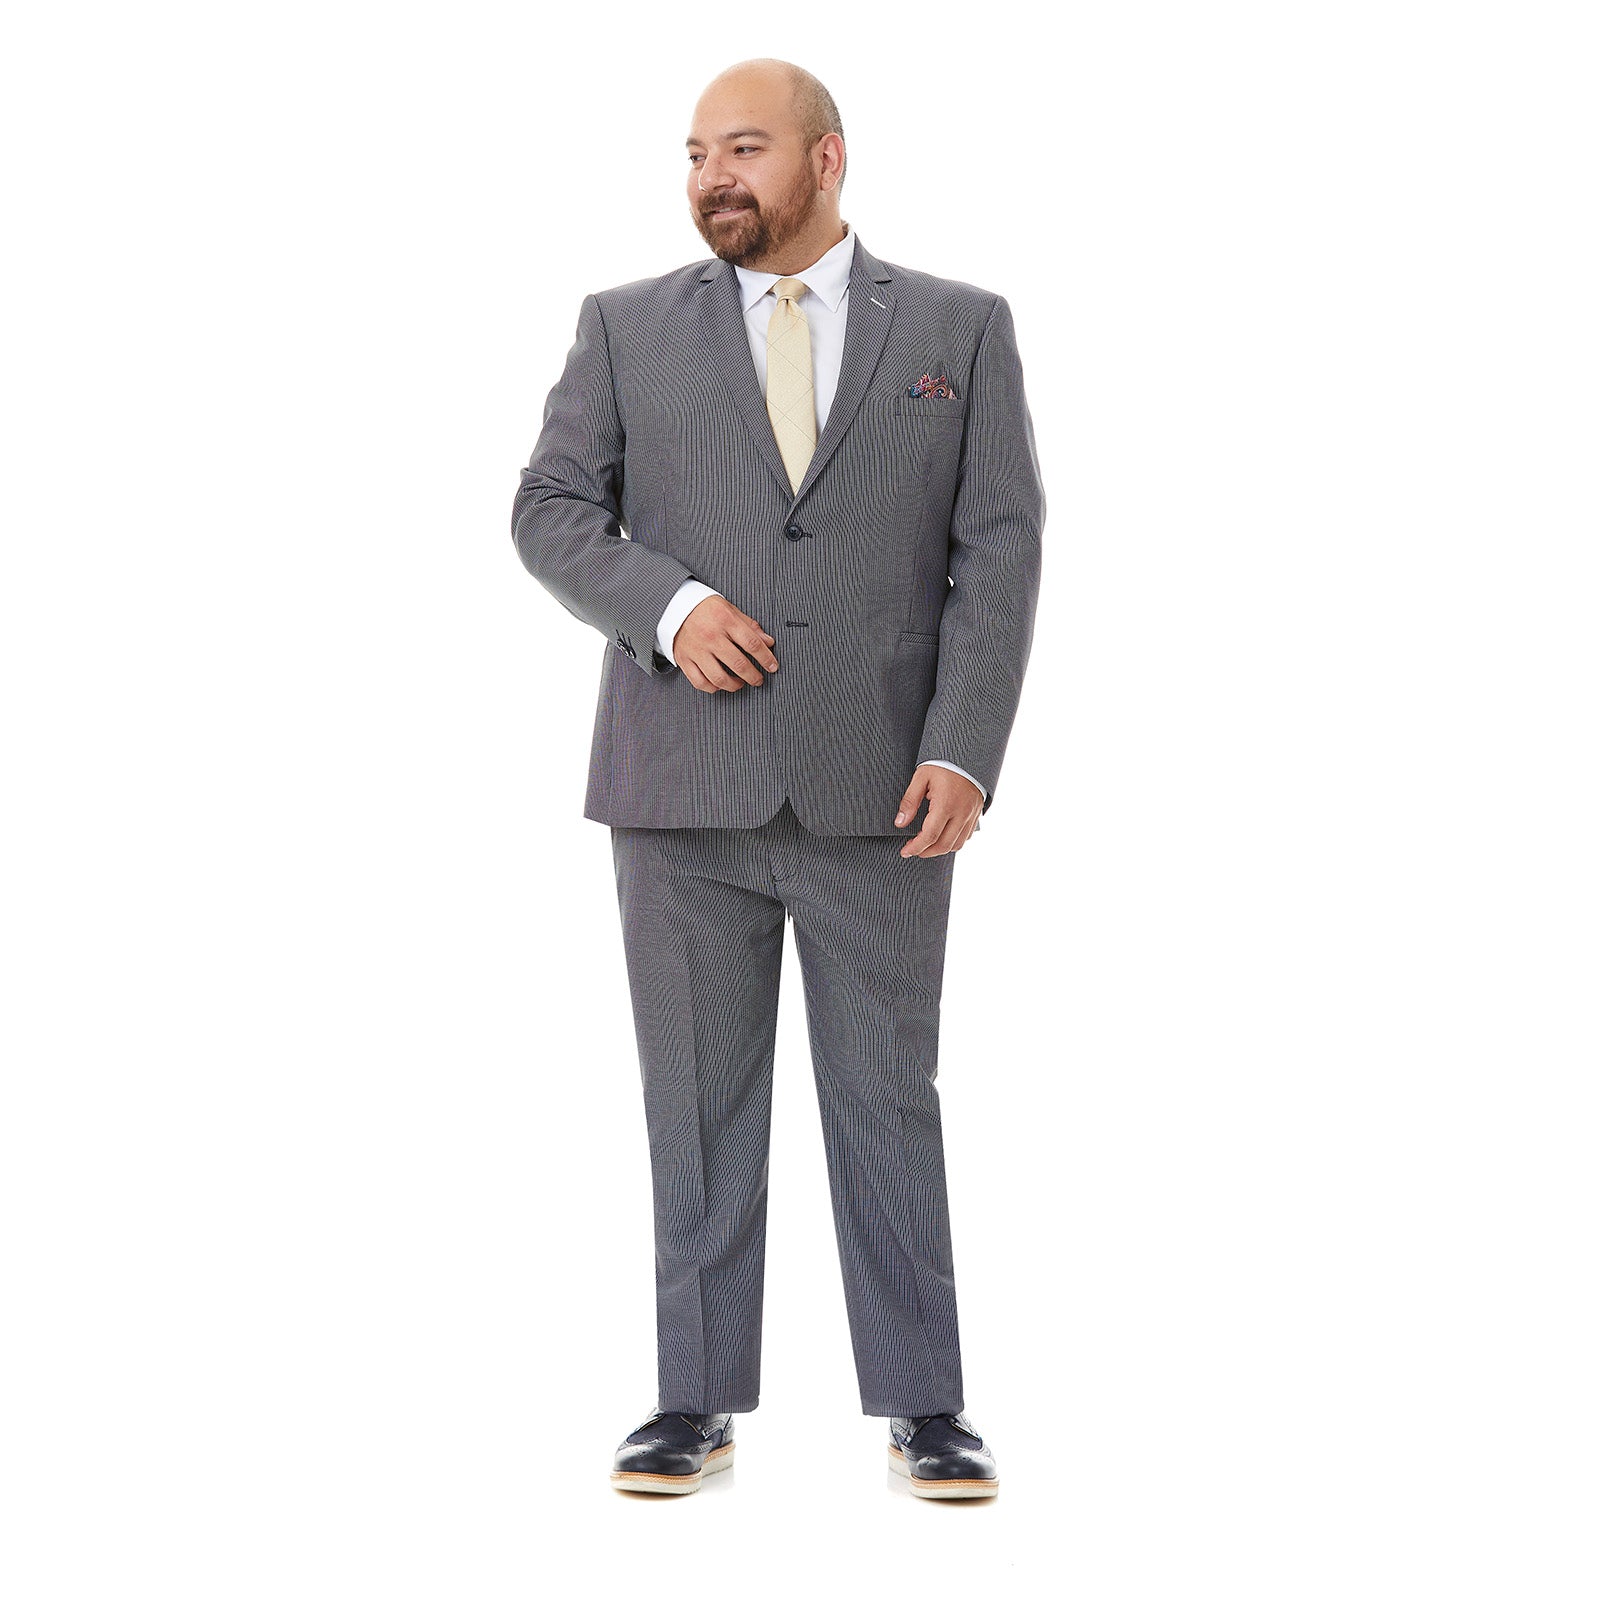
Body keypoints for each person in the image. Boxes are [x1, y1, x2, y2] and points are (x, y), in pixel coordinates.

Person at [510, 57, 1044, 1499]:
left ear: (827, 159)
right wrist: (670, 606)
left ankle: (925, 1406)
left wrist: (963, 747)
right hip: (679, 789)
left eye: (742, 149)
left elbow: (999, 548)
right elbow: (549, 508)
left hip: (884, 793)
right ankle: (693, 1402)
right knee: (694, 1107)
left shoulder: (959, 328)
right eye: (694, 154)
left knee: (889, 1102)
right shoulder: (624, 327)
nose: (711, 179)